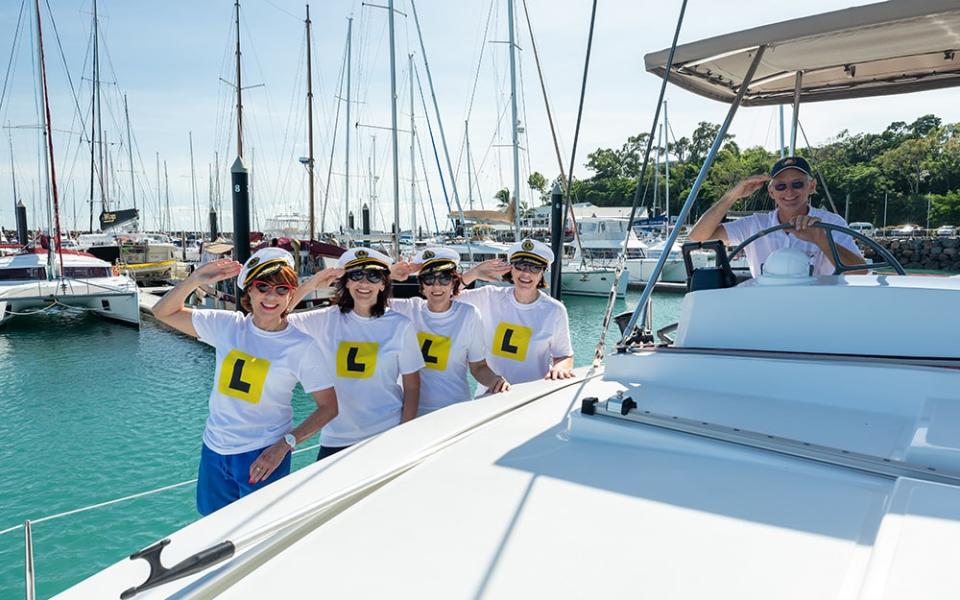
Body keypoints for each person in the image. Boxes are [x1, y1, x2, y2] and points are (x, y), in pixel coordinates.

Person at [151, 248, 339, 515]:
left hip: (264, 455)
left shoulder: (301, 346)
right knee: (211, 527)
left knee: (257, 531)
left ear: (290, 296)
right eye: (262, 287)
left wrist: (285, 445)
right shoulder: (226, 326)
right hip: (214, 450)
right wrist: (195, 280)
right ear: (249, 291)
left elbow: (329, 407)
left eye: (282, 290)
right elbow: (162, 312)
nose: (271, 296)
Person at [288, 247, 424, 460]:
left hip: (385, 435)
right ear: (347, 282)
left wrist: (403, 434)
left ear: (383, 284)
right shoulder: (325, 320)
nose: (364, 283)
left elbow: (412, 386)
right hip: (336, 438)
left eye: (373, 276)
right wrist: (311, 284)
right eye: (356, 275)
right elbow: (278, 317)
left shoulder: (400, 325)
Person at [687, 156, 865, 277]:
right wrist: (732, 195)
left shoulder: (832, 223)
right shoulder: (754, 225)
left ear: (811, 186)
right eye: (780, 186)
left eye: (797, 184)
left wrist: (821, 240)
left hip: (818, 312)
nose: (789, 191)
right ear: (771, 192)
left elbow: (860, 273)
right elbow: (698, 237)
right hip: (766, 314)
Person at [389, 248, 510, 415]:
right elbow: (364, 300)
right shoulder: (409, 309)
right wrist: (388, 274)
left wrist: (495, 381)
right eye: (429, 279)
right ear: (422, 285)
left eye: (444, 278)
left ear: (453, 282)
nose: (436, 285)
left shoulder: (469, 314)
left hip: (455, 410)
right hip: (412, 411)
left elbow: (479, 367)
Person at [455, 238, 575, 388]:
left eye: (535, 268)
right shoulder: (489, 297)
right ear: (511, 269)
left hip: (531, 397)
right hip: (490, 394)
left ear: (542, 273)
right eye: (520, 266)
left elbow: (564, 355)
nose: (526, 273)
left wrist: (561, 367)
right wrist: (474, 273)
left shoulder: (555, 310)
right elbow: (446, 296)